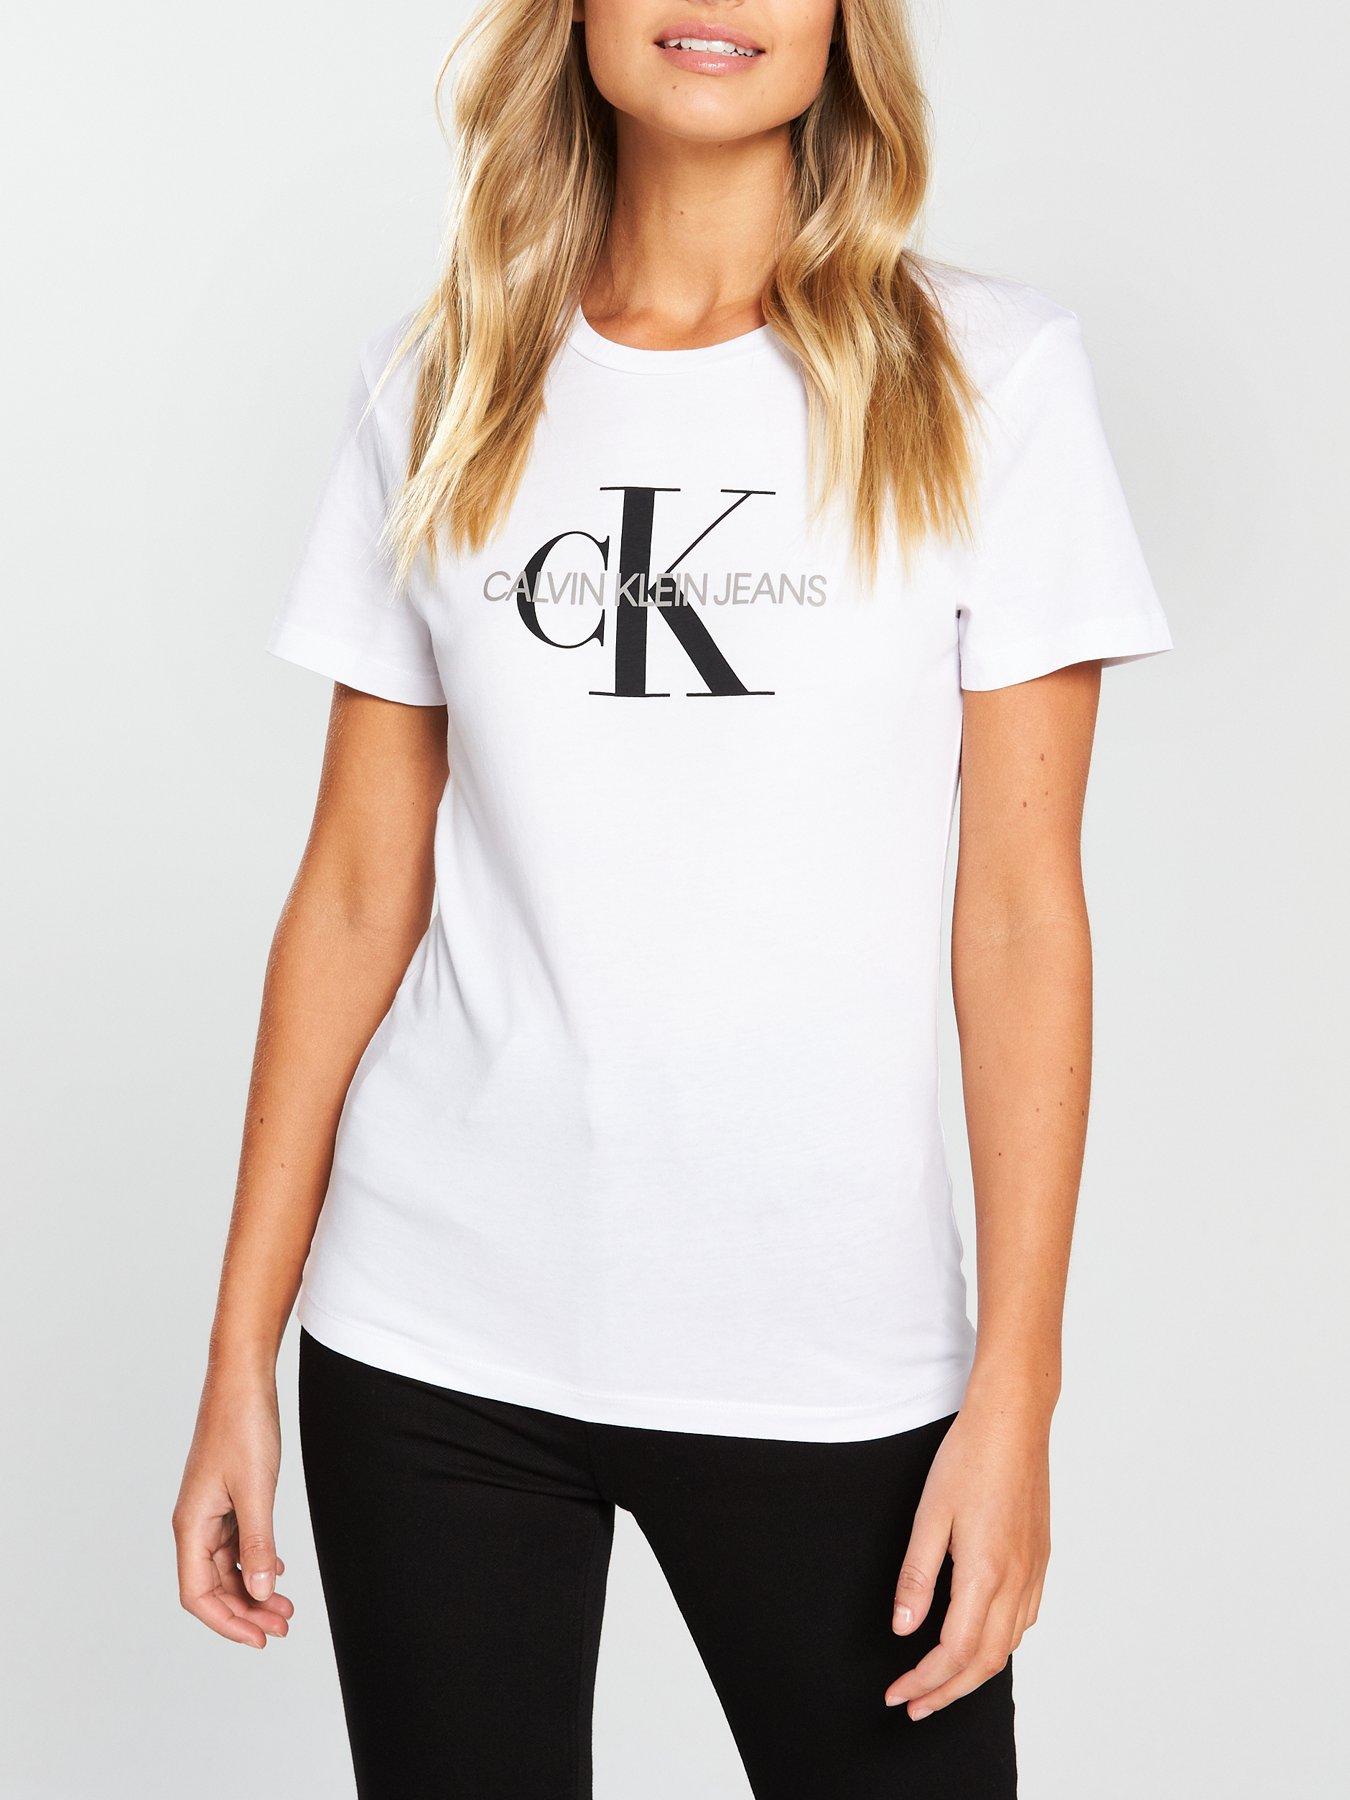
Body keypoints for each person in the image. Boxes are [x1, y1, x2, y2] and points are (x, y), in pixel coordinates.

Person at [173, 3, 1171, 1794]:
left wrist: (1015, 1392)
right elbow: (352, 891)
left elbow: (1022, 919)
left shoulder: (988, 375)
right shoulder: (442, 380)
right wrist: (238, 1352)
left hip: (825, 1355)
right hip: (429, 1343)